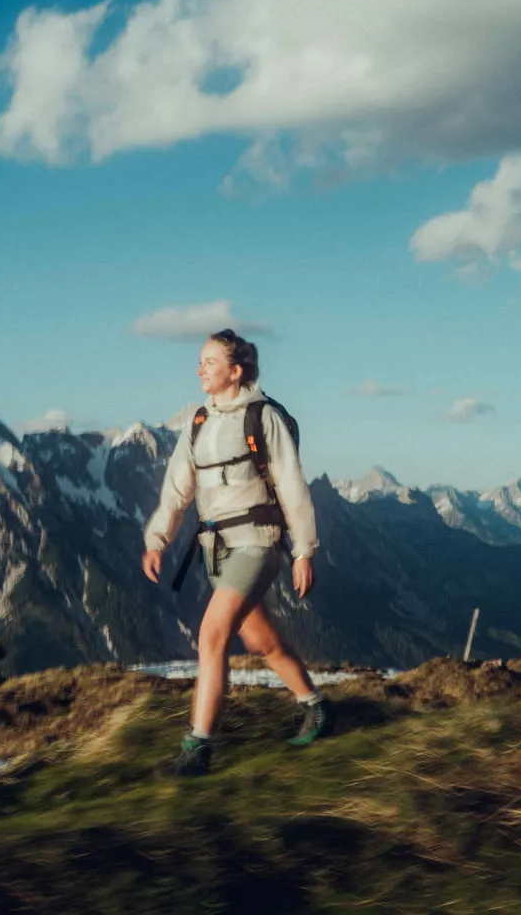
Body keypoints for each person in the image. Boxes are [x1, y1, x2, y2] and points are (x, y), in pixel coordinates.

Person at [141, 328, 327, 776]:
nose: (199, 370)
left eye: (209, 362)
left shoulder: (263, 418)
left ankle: (197, 749)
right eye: (200, 361)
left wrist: (304, 551)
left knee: (212, 634)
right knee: (260, 641)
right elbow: (177, 488)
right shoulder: (198, 422)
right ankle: (316, 707)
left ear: (236, 370)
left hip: (257, 543)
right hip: (215, 550)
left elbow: (291, 485)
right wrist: (157, 540)